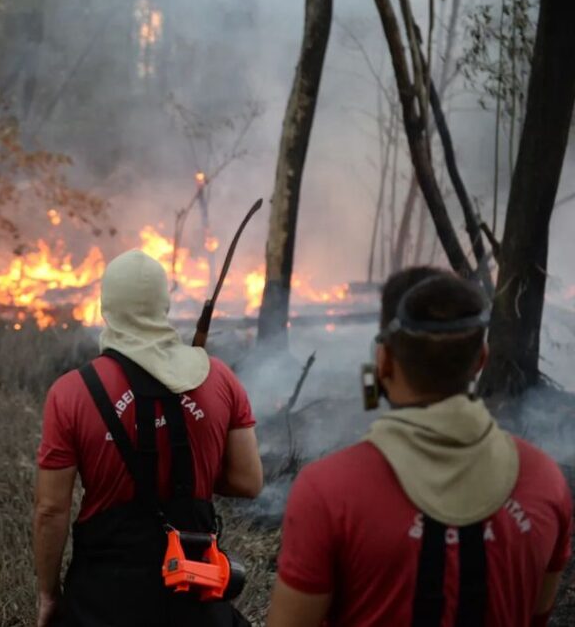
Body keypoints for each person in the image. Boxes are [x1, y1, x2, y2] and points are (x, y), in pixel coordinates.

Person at [267, 266, 573, 627]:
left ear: (382, 361)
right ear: (480, 360)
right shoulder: (545, 482)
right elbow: (537, 614)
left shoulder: (327, 491)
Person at [34, 249, 263, 627]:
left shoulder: (71, 392)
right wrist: (189, 466)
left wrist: (48, 594)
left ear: (105, 307)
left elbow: (50, 510)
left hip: (101, 599)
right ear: (164, 306)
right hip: (193, 592)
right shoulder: (219, 378)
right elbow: (248, 481)